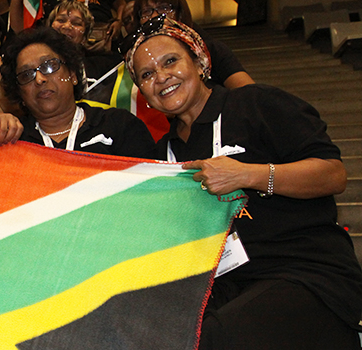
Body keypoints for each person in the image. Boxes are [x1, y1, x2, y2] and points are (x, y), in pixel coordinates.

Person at [123, 18, 362, 349]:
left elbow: (333, 174)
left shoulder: (255, 103)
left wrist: (248, 174)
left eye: (170, 61)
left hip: (305, 274)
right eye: (147, 74)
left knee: (215, 338)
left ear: (201, 63)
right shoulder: (166, 154)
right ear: (144, 95)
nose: (161, 76)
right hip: (227, 284)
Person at [0, 27, 156, 159]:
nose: (39, 78)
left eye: (49, 66)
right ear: (20, 93)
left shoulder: (118, 125)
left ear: (74, 75)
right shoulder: (10, 136)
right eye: (26, 75)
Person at [130, 0, 254, 88]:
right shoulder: (137, 61)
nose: (155, 16)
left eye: (164, 8)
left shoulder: (212, 49)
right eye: (146, 11)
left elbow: (248, 93)